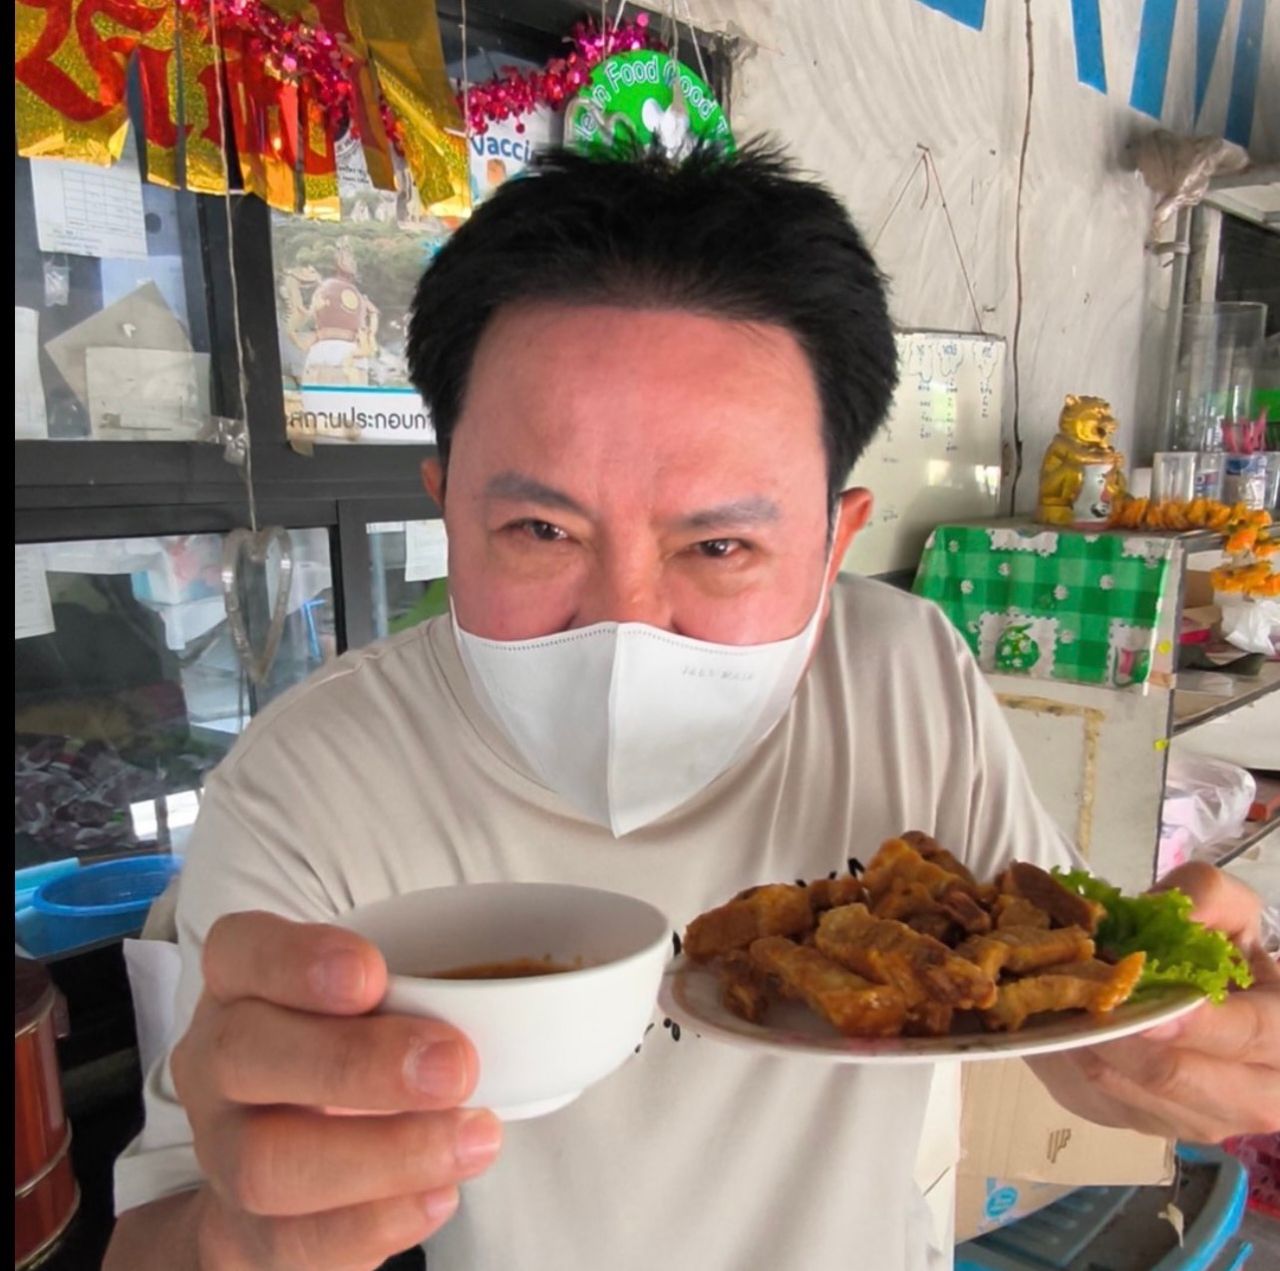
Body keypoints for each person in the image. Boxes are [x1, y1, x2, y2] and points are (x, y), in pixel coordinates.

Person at [104, 145, 1278, 1271]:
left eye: (718, 545)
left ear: (833, 546)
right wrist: (236, 1240)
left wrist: (1177, 1039)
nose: (625, 626)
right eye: (538, 528)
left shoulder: (903, 672)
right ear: (444, 506)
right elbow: (154, 1229)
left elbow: (1057, 1035)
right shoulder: (308, 782)